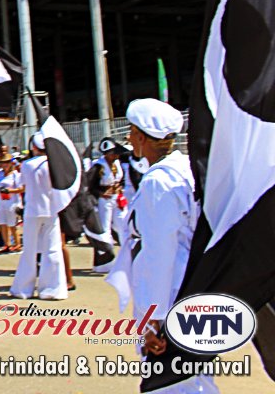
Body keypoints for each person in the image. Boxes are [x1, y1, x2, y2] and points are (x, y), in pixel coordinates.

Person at [107, 98, 216, 394]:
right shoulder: (184, 167)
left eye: (131, 132)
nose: (129, 139)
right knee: (193, 375)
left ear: (142, 138)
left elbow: (159, 252)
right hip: (188, 285)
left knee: (170, 379)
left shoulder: (158, 183)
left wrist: (155, 319)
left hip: (167, 294)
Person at [9, 133, 68, 301]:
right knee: (52, 248)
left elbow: (23, 185)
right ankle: (52, 289)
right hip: (51, 209)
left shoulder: (27, 165)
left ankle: (23, 289)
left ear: (34, 147)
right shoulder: (53, 164)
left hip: (33, 210)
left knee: (29, 250)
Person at [0, 152, 22, 253]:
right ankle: (7, 245)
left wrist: (9, 191)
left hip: (12, 202)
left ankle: (17, 244)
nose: (5, 165)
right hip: (1, 202)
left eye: (7, 162)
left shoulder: (15, 175)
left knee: (12, 225)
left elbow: (21, 189)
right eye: (3, 162)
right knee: (3, 224)